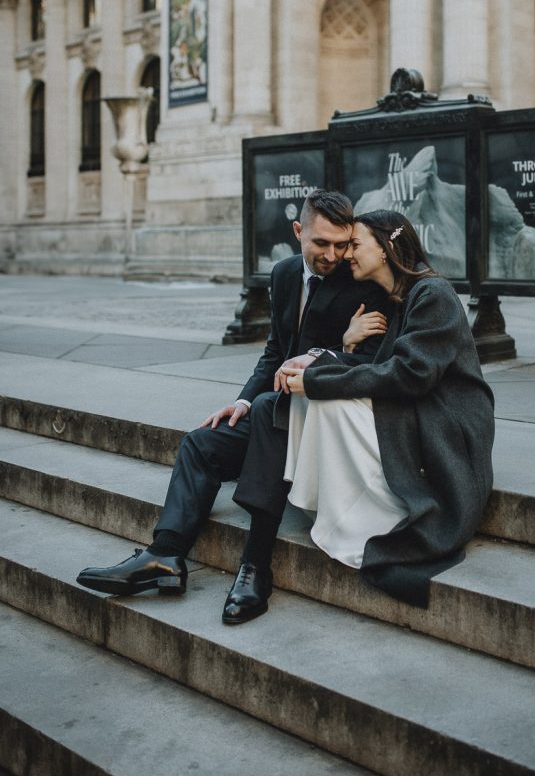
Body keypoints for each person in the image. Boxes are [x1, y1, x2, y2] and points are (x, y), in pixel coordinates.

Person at [77, 190, 392, 621]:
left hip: (317, 420)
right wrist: (240, 400)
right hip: (273, 409)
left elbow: (369, 361)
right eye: (322, 243)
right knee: (202, 442)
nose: (334, 255)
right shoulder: (282, 274)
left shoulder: (361, 282)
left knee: (267, 414)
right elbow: (274, 351)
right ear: (298, 232)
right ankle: (165, 555)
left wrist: (334, 347)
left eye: (342, 244)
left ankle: (255, 568)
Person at [279, 209, 495, 609]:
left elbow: (410, 374)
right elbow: (378, 368)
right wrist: (316, 364)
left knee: (326, 401)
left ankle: (364, 520)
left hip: (448, 426)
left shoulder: (434, 294)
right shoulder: (400, 299)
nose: (346, 255)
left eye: (356, 245)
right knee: (308, 392)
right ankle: (329, 509)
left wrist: (319, 381)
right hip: (419, 408)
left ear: (387, 246)